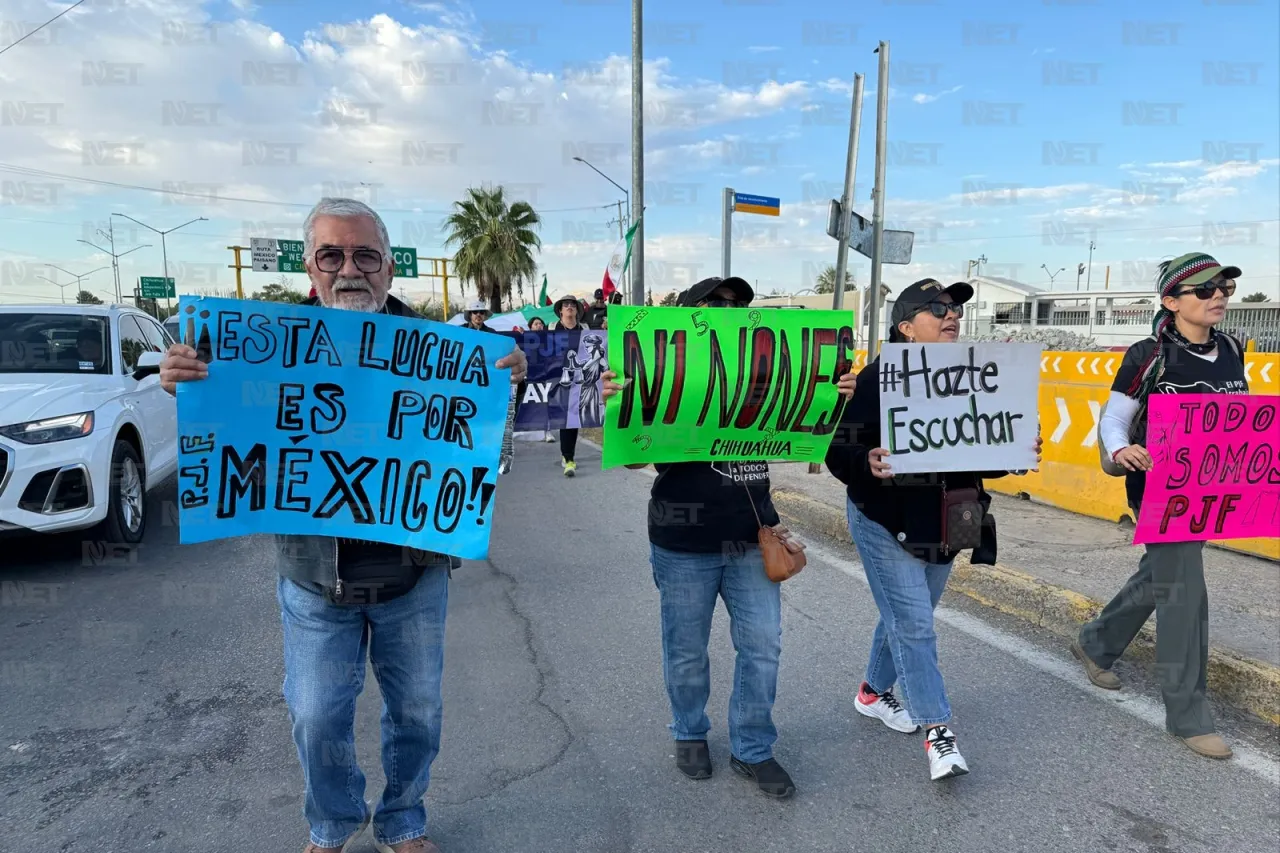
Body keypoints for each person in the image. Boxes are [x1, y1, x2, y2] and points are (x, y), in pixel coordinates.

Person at [158, 198, 528, 853]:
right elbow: (223, 431)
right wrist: (187, 386)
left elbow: (491, 457)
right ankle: (330, 822)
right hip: (313, 577)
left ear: (388, 268)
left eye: (365, 256)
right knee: (315, 713)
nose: (350, 268)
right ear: (312, 267)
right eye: (333, 254)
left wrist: (508, 390)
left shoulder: (446, 353)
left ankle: (403, 817)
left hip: (412, 575)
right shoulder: (259, 348)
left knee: (417, 712)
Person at [601, 276, 857, 800]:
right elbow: (631, 456)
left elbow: (812, 438)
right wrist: (618, 404)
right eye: (717, 304)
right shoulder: (665, 375)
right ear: (689, 316)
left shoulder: (765, 376)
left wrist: (835, 395)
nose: (732, 310)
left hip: (751, 536)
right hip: (682, 542)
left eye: (741, 304)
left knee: (763, 647)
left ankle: (753, 748)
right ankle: (690, 732)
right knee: (687, 650)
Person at [825, 278, 1042, 782]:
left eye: (954, 309)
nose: (951, 316)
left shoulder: (975, 374)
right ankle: (938, 731)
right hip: (885, 522)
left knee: (907, 617)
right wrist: (867, 460)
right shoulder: (878, 378)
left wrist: (1014, 454)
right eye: (936, 308)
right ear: (905, 326)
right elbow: (837, 446)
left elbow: (976, 452)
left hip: (947, 522)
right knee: (916, 625)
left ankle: (872, 694)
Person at [1076, 252, 1247, 761]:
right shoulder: (1148, 354)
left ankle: (1096, 642)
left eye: (1224, 287)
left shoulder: (1233, 348)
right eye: (1204, 289)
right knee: (1185, 592)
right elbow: (1114, 419)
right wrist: (1120, 447)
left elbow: (1238, 419)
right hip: (1159, 489)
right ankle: (1187, 714)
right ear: (1171, 301)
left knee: (1162, 576)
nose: (1217, 295)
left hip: (1210, 490)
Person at [552, 295, 587, 476]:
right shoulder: (552, 329)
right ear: (560, 310)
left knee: (573, 418)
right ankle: (568, 456)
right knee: (564, 418)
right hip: (558, 380)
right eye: (565, 304)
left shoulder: (585, 329)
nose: (569, 307)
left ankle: (568, 456)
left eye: (572, 304)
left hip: (579, 379)